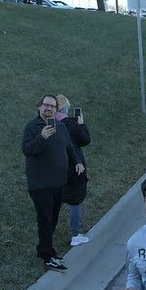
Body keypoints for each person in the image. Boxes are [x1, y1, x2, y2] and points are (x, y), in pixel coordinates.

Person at [22, 94, 84, 270]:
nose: (48, 108)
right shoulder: (32, 127)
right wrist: (42, 137)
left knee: (53, 218)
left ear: (57, 110)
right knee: (45, 219)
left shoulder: (61, 126)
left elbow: (70, 148)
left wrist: (78, 162)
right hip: (40, 184)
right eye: (46, 105)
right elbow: (27, 150)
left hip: (58, 183)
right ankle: (48, 257)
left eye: (52, 106)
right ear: (39, 107)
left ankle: (43, 249)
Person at [56, 95, 91, 246]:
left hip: (55, 165)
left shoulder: (47, 123)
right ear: (65, 108)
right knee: (75, 199)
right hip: (74, 165)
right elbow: (85, 140)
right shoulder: (70, 123)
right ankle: (75, 234)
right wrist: (81, 124)